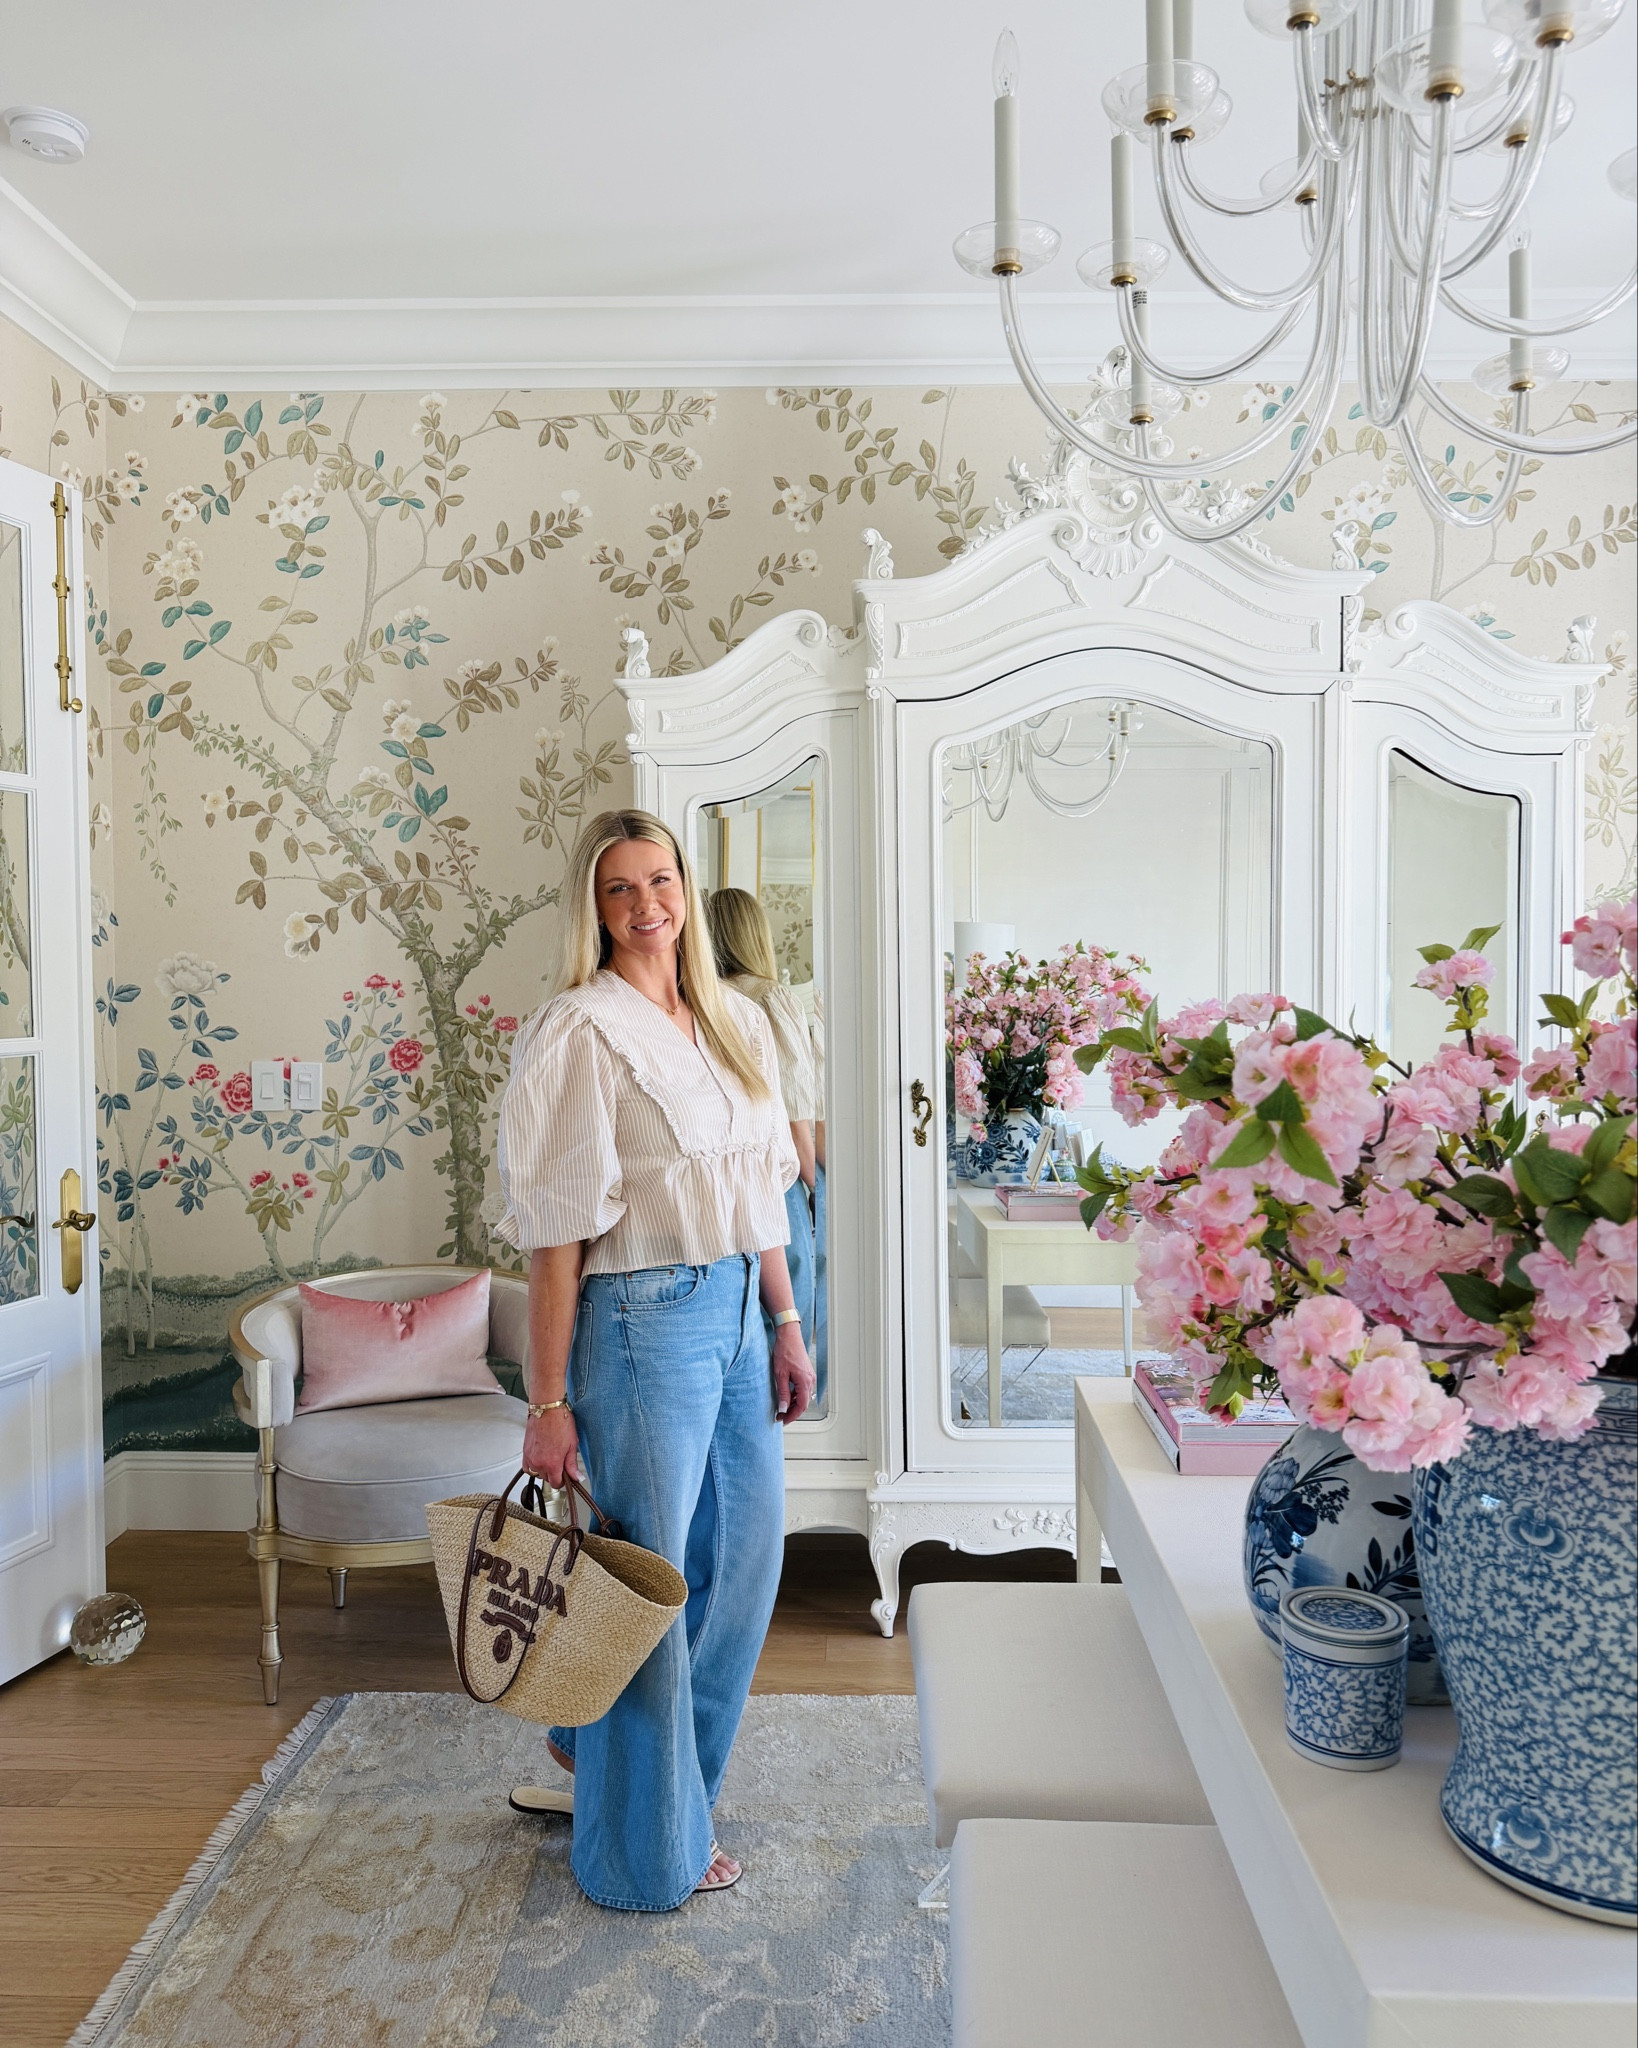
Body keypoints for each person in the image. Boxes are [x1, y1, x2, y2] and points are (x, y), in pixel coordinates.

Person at [495, 808, 815, 1911]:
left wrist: (785, 1320)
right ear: (594, 906)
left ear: (687, 887)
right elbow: (555, 1237)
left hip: (737, 1309)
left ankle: (642, 1777)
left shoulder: (732, 1020)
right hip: (640, 1319)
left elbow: (759, 1190)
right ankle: (643, 1853)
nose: (648, 906)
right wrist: (547, 1400)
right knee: (646, 1587)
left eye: (662, 880)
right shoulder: (578, 1031)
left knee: (747, 1566)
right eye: (621, 888)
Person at [704, 887, 819, 1358]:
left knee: (740, 1313)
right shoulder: (772, 998)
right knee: (792, 1309)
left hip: (718, 1180)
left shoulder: (697, 999)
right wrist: (817, 1187)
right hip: (776, 1178)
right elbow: (793, 1112)